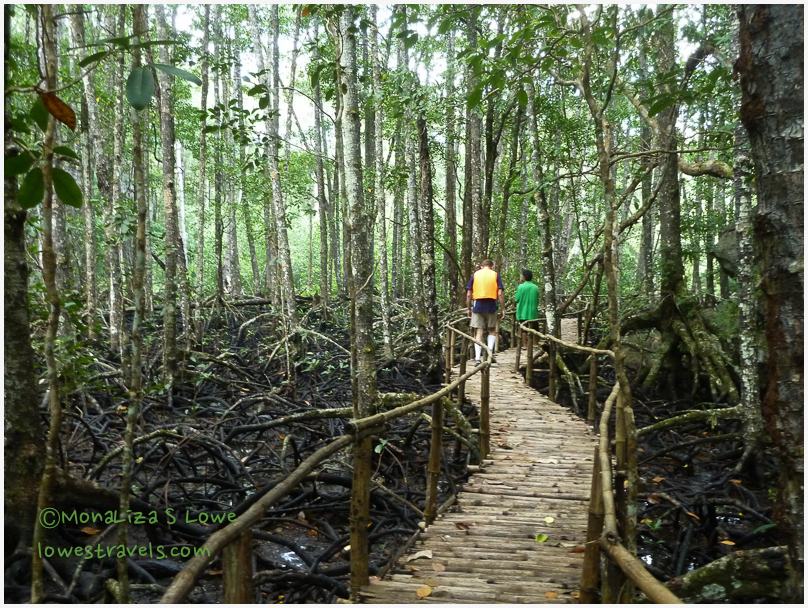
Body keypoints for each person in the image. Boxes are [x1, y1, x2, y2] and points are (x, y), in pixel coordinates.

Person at [466, 259, 505, 363]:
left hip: (478, 305)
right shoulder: (495, 275)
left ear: (481, 266)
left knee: (479, 331)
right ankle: (489, 355)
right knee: (492, 330)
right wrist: (503, 309)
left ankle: (478, 358)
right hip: (491, 305)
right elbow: (500, 294)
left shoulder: (475, 275)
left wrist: (468, 308)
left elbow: (469, 294)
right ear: (492, 266)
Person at [515, 268, 540, 346]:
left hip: (522, 312)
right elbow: (537, 299)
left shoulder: (521, 287)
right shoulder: (535, 287)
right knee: (535, 329)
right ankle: (535, 344)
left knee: (523, 330)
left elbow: (516, 299)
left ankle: (525, 345)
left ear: (524, 277)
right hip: (533, 312)